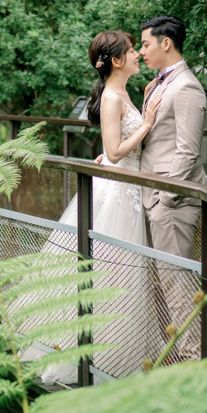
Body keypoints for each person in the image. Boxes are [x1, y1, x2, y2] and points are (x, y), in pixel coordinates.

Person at [33, 31, 162, 381]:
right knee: (112, 272)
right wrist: (147, 123)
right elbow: (116, 150)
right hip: (119, 192)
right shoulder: (111, 97)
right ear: (117, 61)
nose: (138, 54)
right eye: (133, 50)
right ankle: (94, 359)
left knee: (120, 275)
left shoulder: (124, 91)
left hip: (127, 187)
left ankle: (114, 357)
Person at [138, 14, 207, 362]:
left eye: (146, 44)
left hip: (172, 202)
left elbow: (188, 151)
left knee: (177, 284)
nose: (141, 50)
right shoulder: (160, 83)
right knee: (166, 283)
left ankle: (193, 362)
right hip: (153, 195)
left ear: (166, 43)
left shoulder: (187, 87)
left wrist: (166, 199)